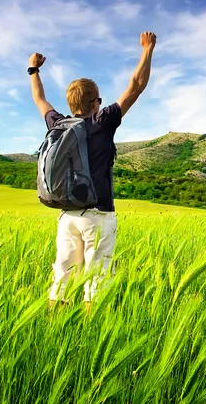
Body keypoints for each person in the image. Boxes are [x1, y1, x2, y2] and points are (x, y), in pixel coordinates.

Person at [28, 31, 157, 307]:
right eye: (99, 100)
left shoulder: (58, 124)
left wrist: (33, 70)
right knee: (97, 282)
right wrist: (147, 49)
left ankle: (54, 326)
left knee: (61, 281)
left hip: (67, 216)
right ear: (95, 102)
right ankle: (91, 326)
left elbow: (40, 99)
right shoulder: (102, 121)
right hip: (98, 214)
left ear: (71, 104)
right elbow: (136, 86)